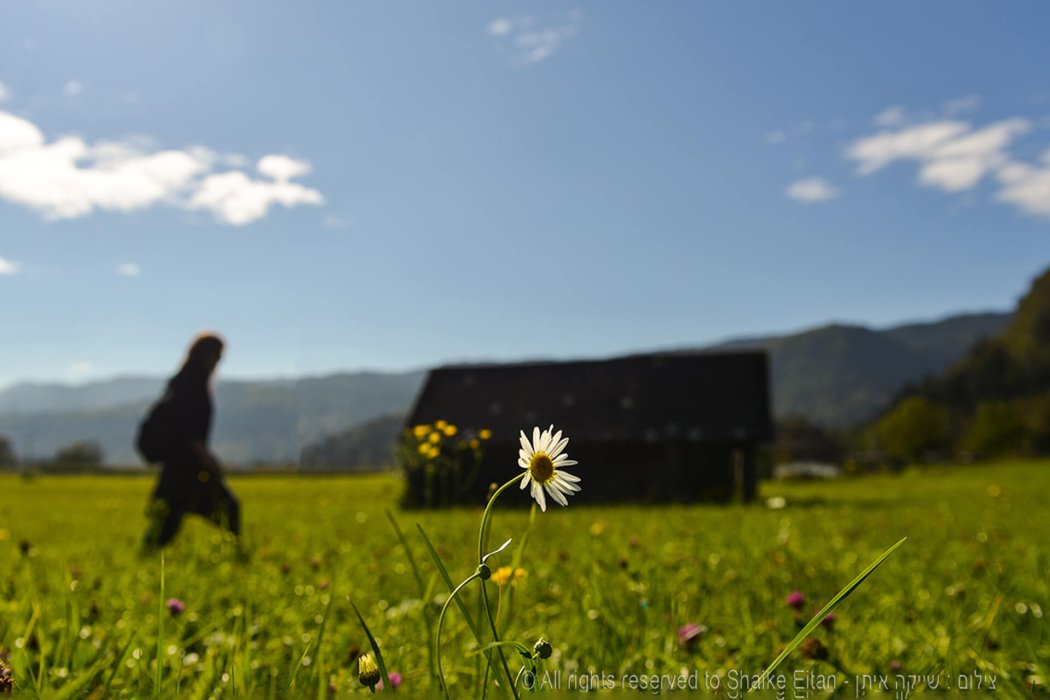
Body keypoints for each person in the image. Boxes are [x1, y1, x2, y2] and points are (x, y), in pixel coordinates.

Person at [142, 332, 241, 550]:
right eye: (218, 355)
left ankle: (236, 556)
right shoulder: (193, 385)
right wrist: (207, 458)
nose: (220, 360)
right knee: (228, 509)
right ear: (206, 354)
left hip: (177, 467)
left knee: (166, 524)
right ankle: (236, 557)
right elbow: (189, 431)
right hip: (188, 467)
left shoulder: (182, 381)